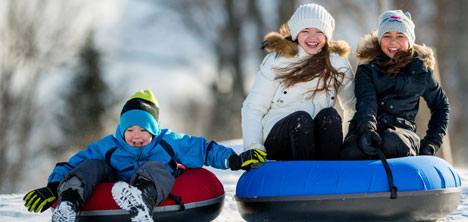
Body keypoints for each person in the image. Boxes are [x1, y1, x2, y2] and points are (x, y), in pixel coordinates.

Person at [23, 90, 265, 222]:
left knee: (155, 166)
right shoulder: (109, 145)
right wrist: (53, 188)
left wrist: (234, 160)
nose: (136, 136)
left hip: (152, 183)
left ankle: (141, 202)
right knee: (92, 164)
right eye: (130, 130)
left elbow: (203, 149)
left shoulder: (168, 142)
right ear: (121, 130)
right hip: (115, 184)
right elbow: (72, 164)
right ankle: (69, 205)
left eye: (143, 130)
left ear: (154, 130)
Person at [241, 3, 356, 161]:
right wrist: (253, 146)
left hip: (316, 139)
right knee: (301, 120)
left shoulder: (338, 65)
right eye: (305, 31)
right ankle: (302, 177)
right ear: (295, 34)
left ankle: (330, 173)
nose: (312, 37)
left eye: (319, 31)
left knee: (330, 116)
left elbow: (353, 107)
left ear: (327, 36)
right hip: (280, 136)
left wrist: (350, 143)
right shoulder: (277, 61)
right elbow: (253, 107)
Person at [340, 10, 450, 160]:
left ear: (410, 40)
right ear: (379, 40)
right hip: (367, 128)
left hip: (403, 133)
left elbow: (441, 107)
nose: (393, 42)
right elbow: (367, 102)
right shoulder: (368, 67)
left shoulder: (421, 70)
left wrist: (432, 142)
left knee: (390, 141)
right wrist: (367, 130)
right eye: (387, 36)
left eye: (400, 36)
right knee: (351, 151)